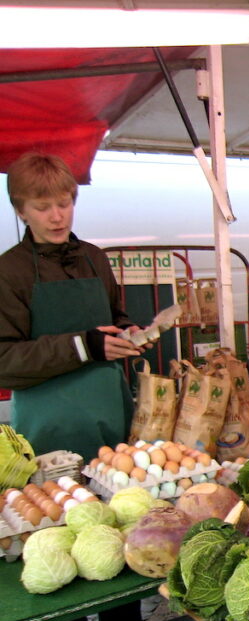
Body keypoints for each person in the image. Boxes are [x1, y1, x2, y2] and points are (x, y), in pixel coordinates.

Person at [1, 152, 143, 459]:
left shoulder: (95, 259)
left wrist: (126, 333)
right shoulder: (10, 271)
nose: (57, 216)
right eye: (42, 207)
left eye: (64, 204)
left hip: (111, 415)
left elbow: (113, 316)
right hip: (48, 428)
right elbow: (4, 361)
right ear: (20, 210)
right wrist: (84, 346)